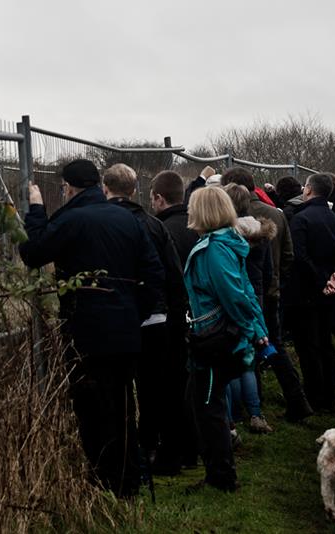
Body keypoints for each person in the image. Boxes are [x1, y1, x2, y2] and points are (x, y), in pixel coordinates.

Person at [19, 159, 165, 498]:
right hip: (128, 331)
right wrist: (134, 311)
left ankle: (104, 480)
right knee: (123, 403)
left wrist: (36, 210)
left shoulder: (71, 219)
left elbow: (33, 253)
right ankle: (129, 479)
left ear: (68, 187)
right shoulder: (129, 219)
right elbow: (154, 273)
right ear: (99, 185)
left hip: (86, 330)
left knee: (92, 408)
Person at [102, 163, 189, 475]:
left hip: (118, 319)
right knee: (158, 388)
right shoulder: (153, 225)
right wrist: (176, 315)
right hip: (157, 318)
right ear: (135, 190)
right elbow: (173, 275)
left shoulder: (105, 225)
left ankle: (135, 450)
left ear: (105, 188)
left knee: (123, 390)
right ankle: (159, 449)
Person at [183, 186, 270, 493]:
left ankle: (221, 478)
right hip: (218, 336)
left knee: (209, 408)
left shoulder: (216, 249)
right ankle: (218, 473)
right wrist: (256, 330)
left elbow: (235, 295)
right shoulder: (224, 243)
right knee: (207, 404)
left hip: (215, 339)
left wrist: (249, 332)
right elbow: (244, 290)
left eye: (193, 207)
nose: (189, 212)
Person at [221, 167, 312, 421]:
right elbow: (288, 255)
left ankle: (252, 408)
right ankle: (296, 399)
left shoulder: (230, 217)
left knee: (245, 350)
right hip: (270, 292)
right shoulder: (276, 214)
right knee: (273, 345)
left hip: (244, 292)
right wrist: (275, 281)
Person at [287, 173, 335, 414]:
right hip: (330, 292)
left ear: (309, 190)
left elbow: (299, 257)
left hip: (305, 292)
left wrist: (321, 280)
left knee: (307, 346)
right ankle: (329, 397)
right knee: (325, 343)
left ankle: (313, 397)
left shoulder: (301, 219)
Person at [150, 170, 200, 469]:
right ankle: (192, 449)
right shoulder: (196, 228)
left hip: (170, 317)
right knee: (188, 386)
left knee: (168, 388)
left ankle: (171, 453)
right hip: (198, 316)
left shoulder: (160, 230)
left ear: (158, 198)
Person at [222, 183, 274, 434]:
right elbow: (269, 269)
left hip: (236, 295)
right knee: (249, 360)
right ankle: (255, 411)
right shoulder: (261, 233)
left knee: (233, 360)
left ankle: (234, 414)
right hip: (257, 293)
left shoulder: (228, 236)